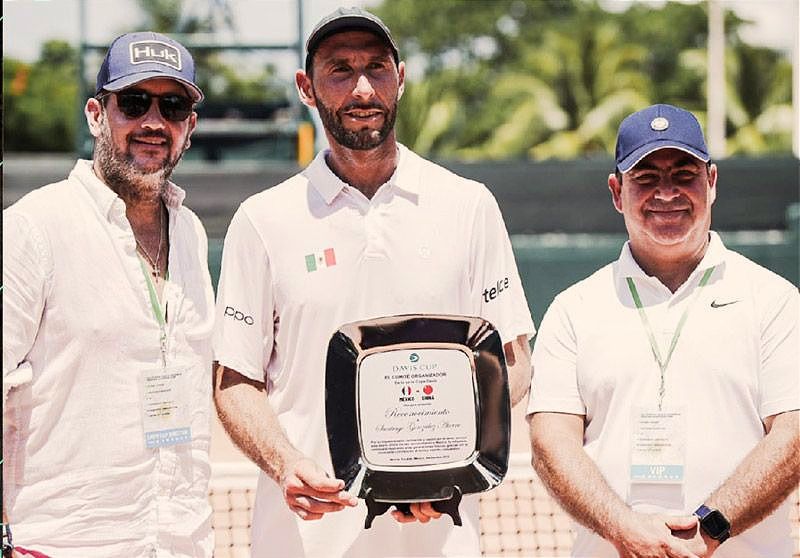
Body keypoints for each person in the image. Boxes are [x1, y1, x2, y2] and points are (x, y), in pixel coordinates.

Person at [212, 7, 535, 557]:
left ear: (400, 78)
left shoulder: (469, 205)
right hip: (303, 543)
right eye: (339, 70)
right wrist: (287, 464)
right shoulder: (261, 220)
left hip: (443, 537)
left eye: (377, 68)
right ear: (306, 89)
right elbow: (233, 382)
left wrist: (445, 464)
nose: (362, 88)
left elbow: (515, 360)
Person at [527, 104, 799, 557]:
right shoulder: (573, 308)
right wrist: (626, 531)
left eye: (684, 174)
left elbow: (792, 435)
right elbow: (551, 443)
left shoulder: (774, 301)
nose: (666, 192)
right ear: (617, 192)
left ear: (711, 183)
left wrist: (709, 529)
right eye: (646, 177)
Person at [2, 32, 214, 557]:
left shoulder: (191, 233)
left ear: (189, 126)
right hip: (64, 544)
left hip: (181, 543)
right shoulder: (33, 228)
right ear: (98, 115)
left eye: (173, 105)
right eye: (135, 102)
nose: (153, 122)